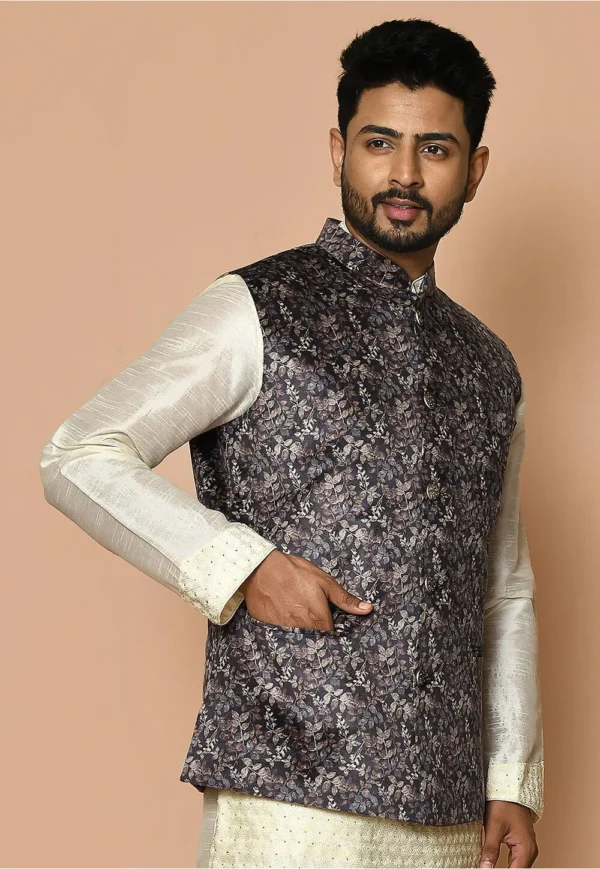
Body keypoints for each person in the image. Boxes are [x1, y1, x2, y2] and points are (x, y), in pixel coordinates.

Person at [40, 17, 544, 869]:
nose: (405, 175)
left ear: (475, 169)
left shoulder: (490, 366)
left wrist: (512, 779)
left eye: (435, 149)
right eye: (379, 142)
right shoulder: (257, 308)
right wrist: (244, 566)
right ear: (338, 151)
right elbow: (79, 453)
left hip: (451, 816)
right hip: (287, 805)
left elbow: (504, 586)